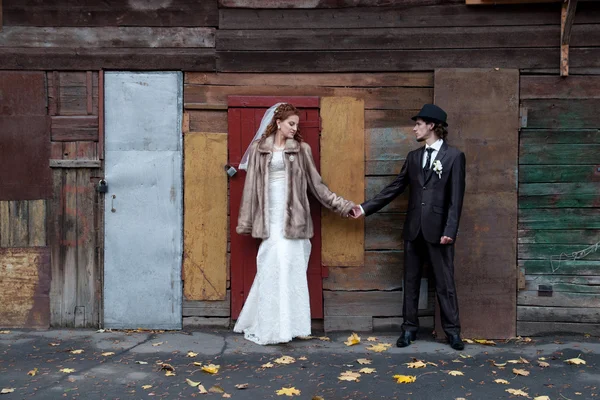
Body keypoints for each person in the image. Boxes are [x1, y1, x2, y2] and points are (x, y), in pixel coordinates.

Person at [234, 103, 355, 345]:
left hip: (295, 221)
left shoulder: (302, 150)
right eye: (291, 123)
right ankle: (269, 326)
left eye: (297, 124)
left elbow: (317, 187)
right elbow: (250, 191)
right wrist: (247, 222)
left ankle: (291, 326)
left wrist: (343, 206)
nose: (294, 128)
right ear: (278, 122)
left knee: (291, 268)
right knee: (270, 265)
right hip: (270, 220)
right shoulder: (259, 150)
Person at [349, 104, 466, 351]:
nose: (414, 128)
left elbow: (457, 199)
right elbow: (395, 187)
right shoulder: (413, 157)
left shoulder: (454, 157)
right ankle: (409, 329)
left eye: (418, 124)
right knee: (410, 282)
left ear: (432, 126)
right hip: (413, 229)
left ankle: (453, 332)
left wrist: (450, 230)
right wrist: (365, 208)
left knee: (445, 283)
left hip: (439, 231)